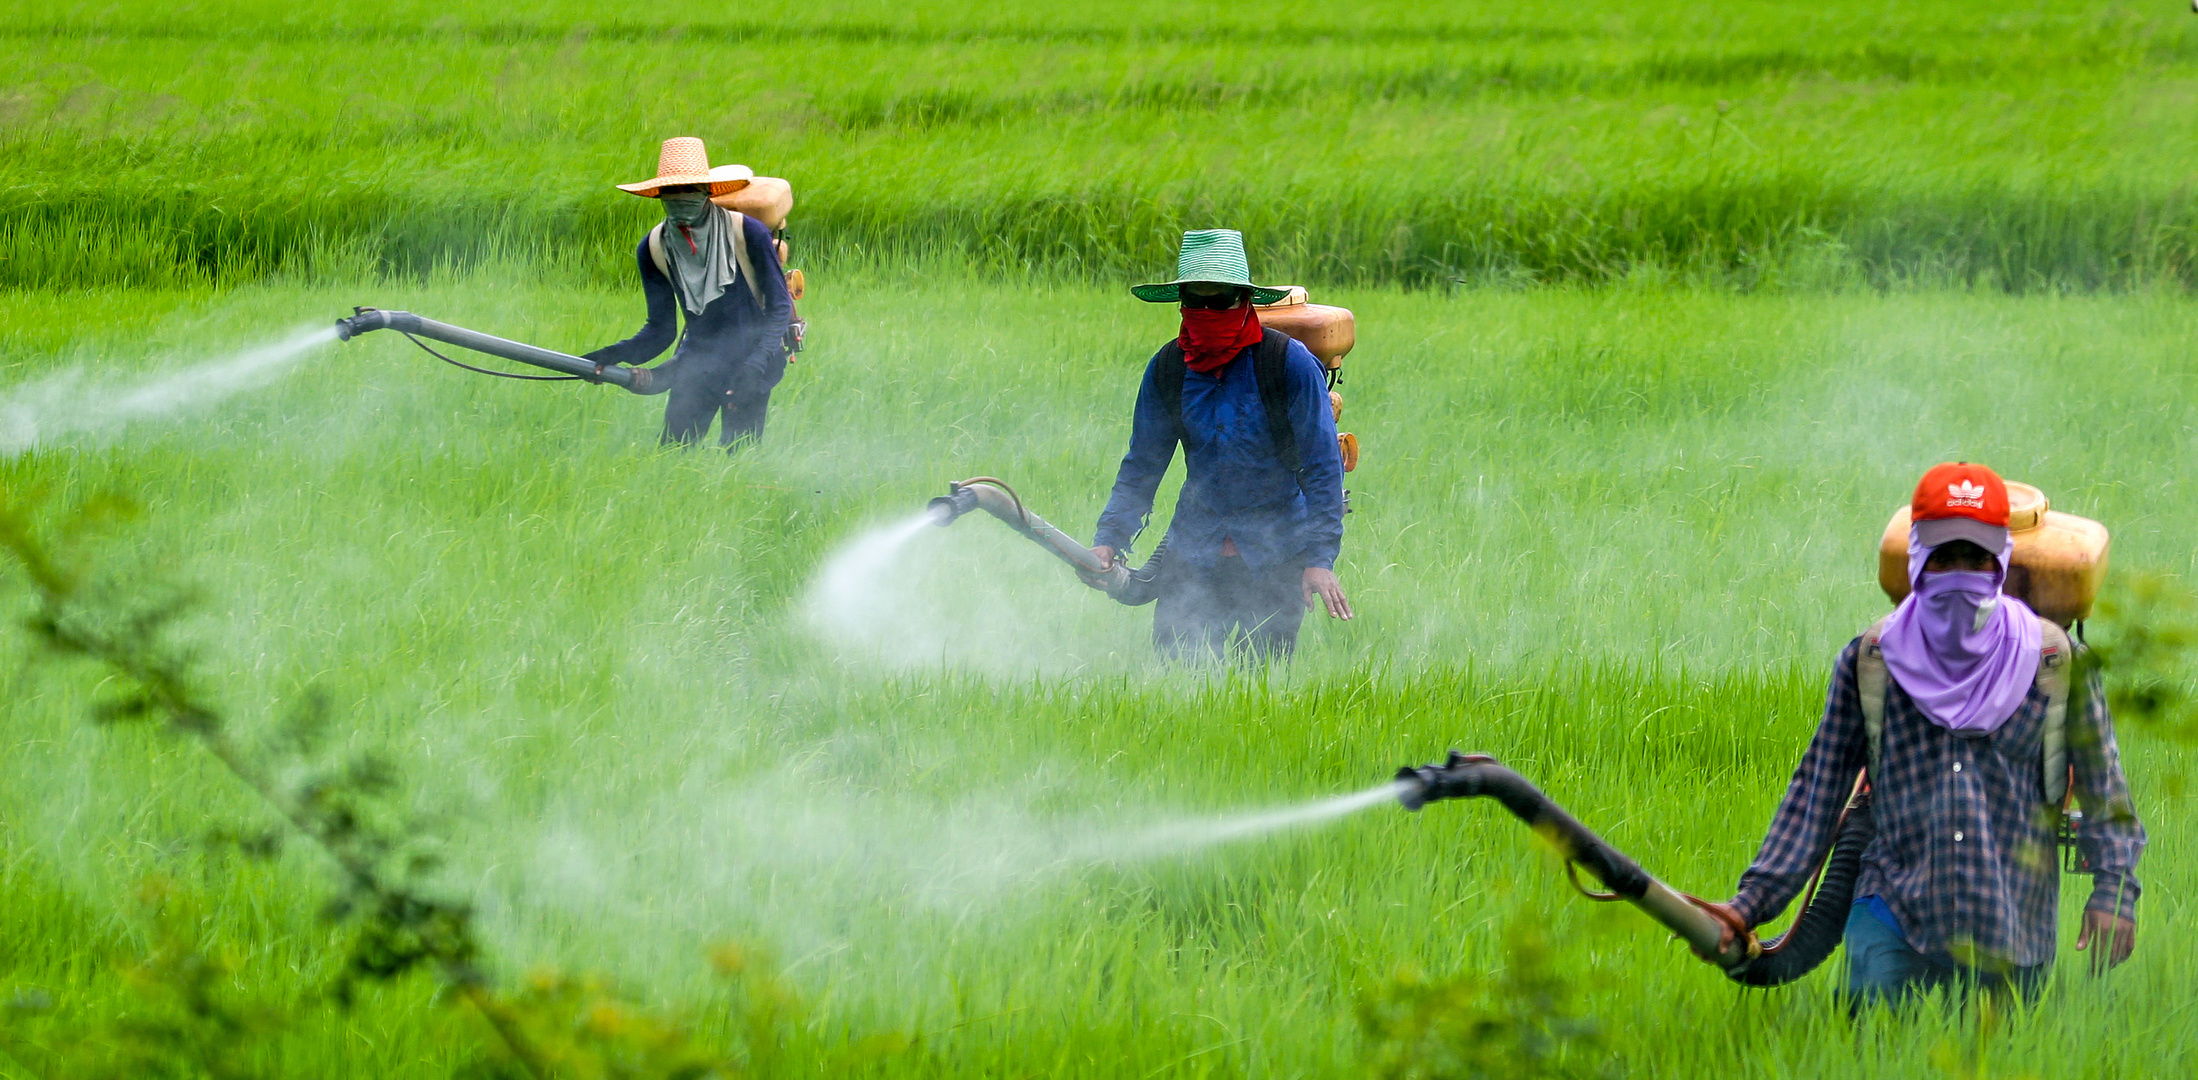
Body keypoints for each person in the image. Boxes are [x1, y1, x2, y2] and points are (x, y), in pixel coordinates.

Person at [1701, 463, 2144, 1008]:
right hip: (1891, 909)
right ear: (1915, 559)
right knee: (1873, 1049)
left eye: (1975, 557)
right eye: (1943, 556)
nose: (1960, 572)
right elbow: (1816, 794)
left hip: (2011, 922)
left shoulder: (2058, 665)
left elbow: (2107, 792)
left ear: (2001, 560)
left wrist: (2115, 894)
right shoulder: (1872, 662)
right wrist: (1749, 906)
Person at [1087, 229, 1351, 661]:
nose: (1208, 311)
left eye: (1221, 300)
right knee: (1177, 675)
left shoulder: (1287, 363)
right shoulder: (1168, 369)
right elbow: (1142, 467)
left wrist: (1320, 560)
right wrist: (1108, 541)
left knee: (1259, 687)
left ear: (1244, 300)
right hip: (1194, 546)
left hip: (1276, 551)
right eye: (1196, 301)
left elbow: (1323, 467)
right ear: (1182, 303)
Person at [585, 137, 793, 449]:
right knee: (673, 452)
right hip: (698, 360)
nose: (680, 198)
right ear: (659, 196)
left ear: (707, 192)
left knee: (740, 456)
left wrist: (756, 365)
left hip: (755, 357)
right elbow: (661, 330)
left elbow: (778, 308)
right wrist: (610, 357)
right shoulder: (655, 248)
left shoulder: (747, 232)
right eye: (671, 192)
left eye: (689, 190)